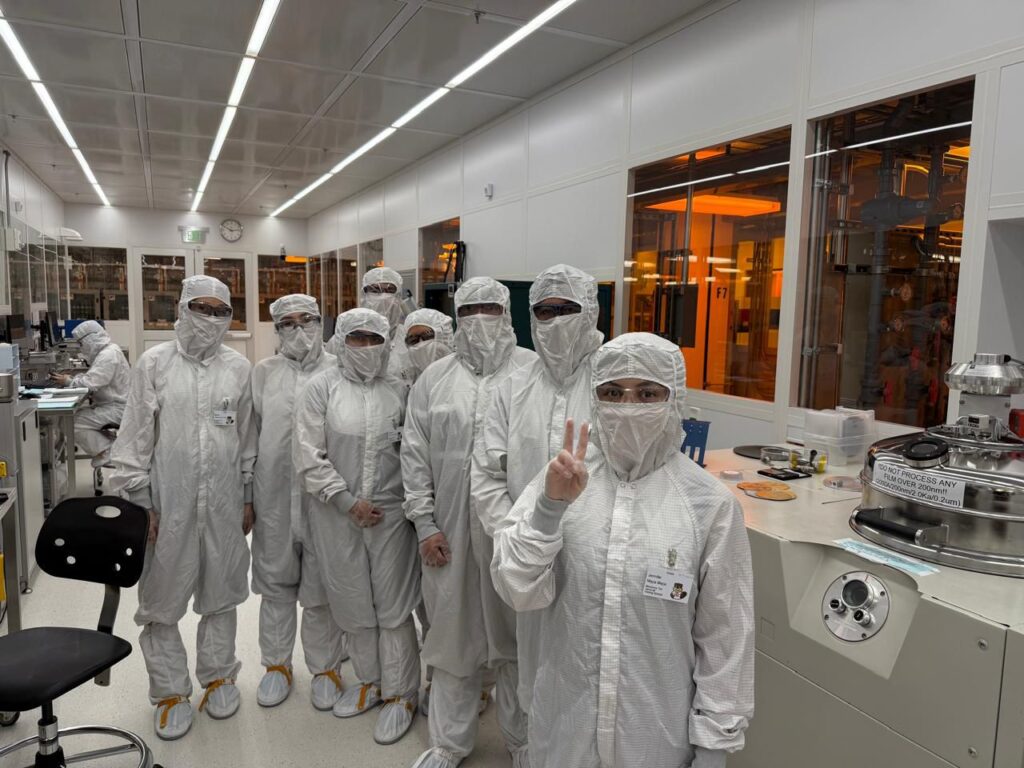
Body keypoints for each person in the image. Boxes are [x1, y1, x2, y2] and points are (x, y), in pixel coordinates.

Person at [491, 333, 755, 768]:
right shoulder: (560, 481)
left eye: (648, 393)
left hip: (655, 738)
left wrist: (713, 748)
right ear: (594, 399)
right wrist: (549, 510)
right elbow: (516, 588)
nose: (629, 406)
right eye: (613, 393)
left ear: (675, 398)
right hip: (563, 725)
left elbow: (726, 638)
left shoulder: (708, 506)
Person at [110, 275, 256, 741]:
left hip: (224, 503)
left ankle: (219, 677)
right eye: (202, 308)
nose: (211, 319)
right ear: (181, 307)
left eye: (220, 311)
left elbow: (247, 438)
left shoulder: (239, 368)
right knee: (161, 599)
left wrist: (247, 495)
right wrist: (140, 502)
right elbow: (135, 437)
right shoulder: (154, 363)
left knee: (222, 592)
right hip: (166, 504)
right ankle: (171, 691)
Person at [403, 278, 536, 768]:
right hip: (450, 531)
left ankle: (524, 743)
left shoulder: (533, 371)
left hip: (513, 530)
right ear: (457, 317)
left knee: (518, 639)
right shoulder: (434, 379)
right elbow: (414, 455)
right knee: (452, 637)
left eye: (490, 308)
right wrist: (424, 524)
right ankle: (448, 743)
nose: (480, 318)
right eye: (470, 309)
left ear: (507, 312)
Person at [472, 263, 604, 712]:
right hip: (528, 554)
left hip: (597, 557)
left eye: (567, 309)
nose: (555, 320)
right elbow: (488, 476)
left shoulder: (613, 384)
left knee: (594, 667)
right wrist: (518, 541)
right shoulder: (512, 388)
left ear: (591, 311)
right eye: (545, 311)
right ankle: (530, 740)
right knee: (531, 662)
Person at [294, 308, 420, 745]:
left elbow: (413, 452)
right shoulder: (321, 387)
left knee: (393, 606)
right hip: (336, 514)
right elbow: (308, 455)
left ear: (386, 343)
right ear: (341, 341)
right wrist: (346, 502)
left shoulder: (399, 389)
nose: (366, 347)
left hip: (391, 515)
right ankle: (370, 681)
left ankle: (402, 694)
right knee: (352, 602)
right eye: (357, 338)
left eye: (374, 339)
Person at [251, 294, 347, 712]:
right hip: (273, 496)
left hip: (325, 499)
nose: (298, 330)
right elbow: (250, 436)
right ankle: (276, 666)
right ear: (276, 330)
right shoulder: (263, 373)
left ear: (320, 322)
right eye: (287, 323)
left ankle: (325, 668)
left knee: (321, 587)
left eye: (306, 320)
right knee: (275, 584)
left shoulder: (340, 370)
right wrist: (246, 496)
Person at [50, 320, 130, 481]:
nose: (81, 348)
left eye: (81, 343)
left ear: (90, 339)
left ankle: (110, 451)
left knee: (72, 422)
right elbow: (93, 378)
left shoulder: (108, 355)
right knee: (72, 419)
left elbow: (90, 383)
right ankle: (110, 448)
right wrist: (72, 379)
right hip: (113, 405)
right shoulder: (108, 352)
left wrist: (68, 381)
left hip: (117, 409)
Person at [402, 308, 454, 381]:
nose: (421, 344)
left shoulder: (463, 376)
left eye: (427, 335)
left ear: (445, 336)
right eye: (413, 340)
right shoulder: (412, 382)